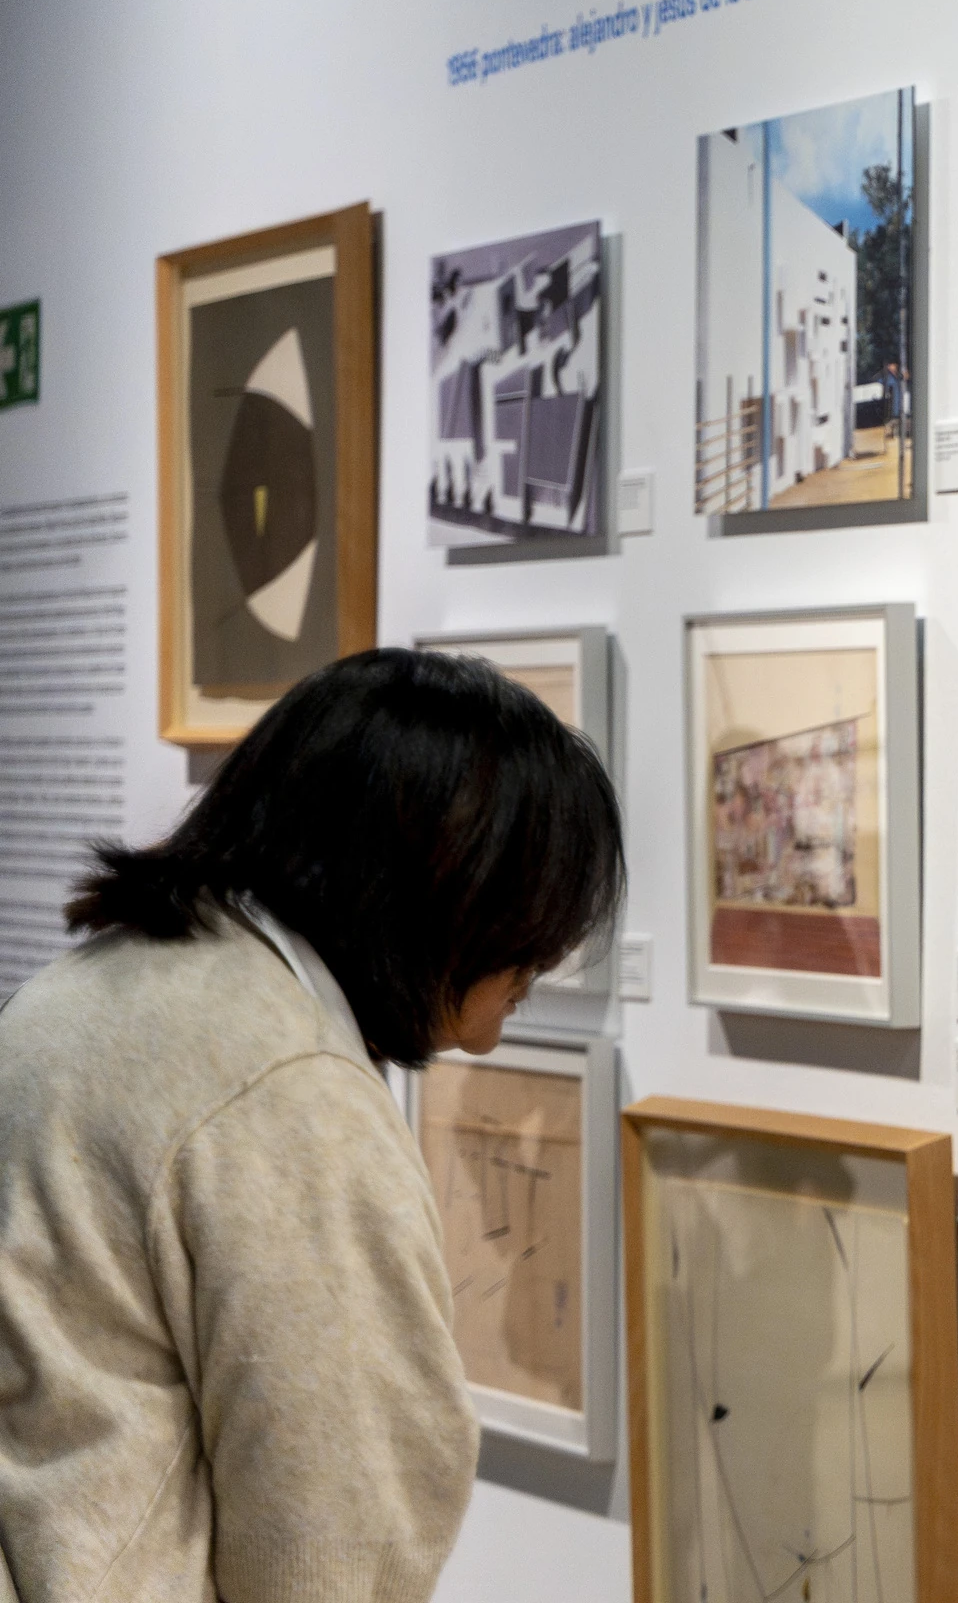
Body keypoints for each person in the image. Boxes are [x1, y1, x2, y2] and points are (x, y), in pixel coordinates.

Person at [0, 647, 624, 1603]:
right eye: (524, 948)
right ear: (444, 897)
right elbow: (334, 1543)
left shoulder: (89, 986)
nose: (510, 1012)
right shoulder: (291, 1096)